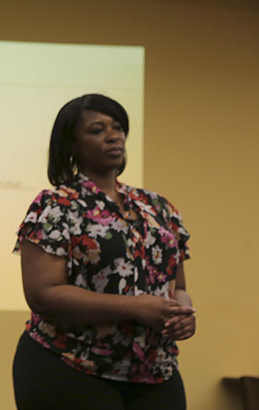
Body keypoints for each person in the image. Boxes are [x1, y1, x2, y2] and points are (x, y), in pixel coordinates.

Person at [12, 94, 195, 410]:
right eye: (97, 130)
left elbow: (177, 286)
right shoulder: (56, 206)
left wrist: (182, 312)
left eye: (118, 127)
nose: (114, 135)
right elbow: (43, 294)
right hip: (69, 366)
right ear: (72, 145)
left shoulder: (158, 207)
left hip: (155, 372)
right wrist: (134, 307)